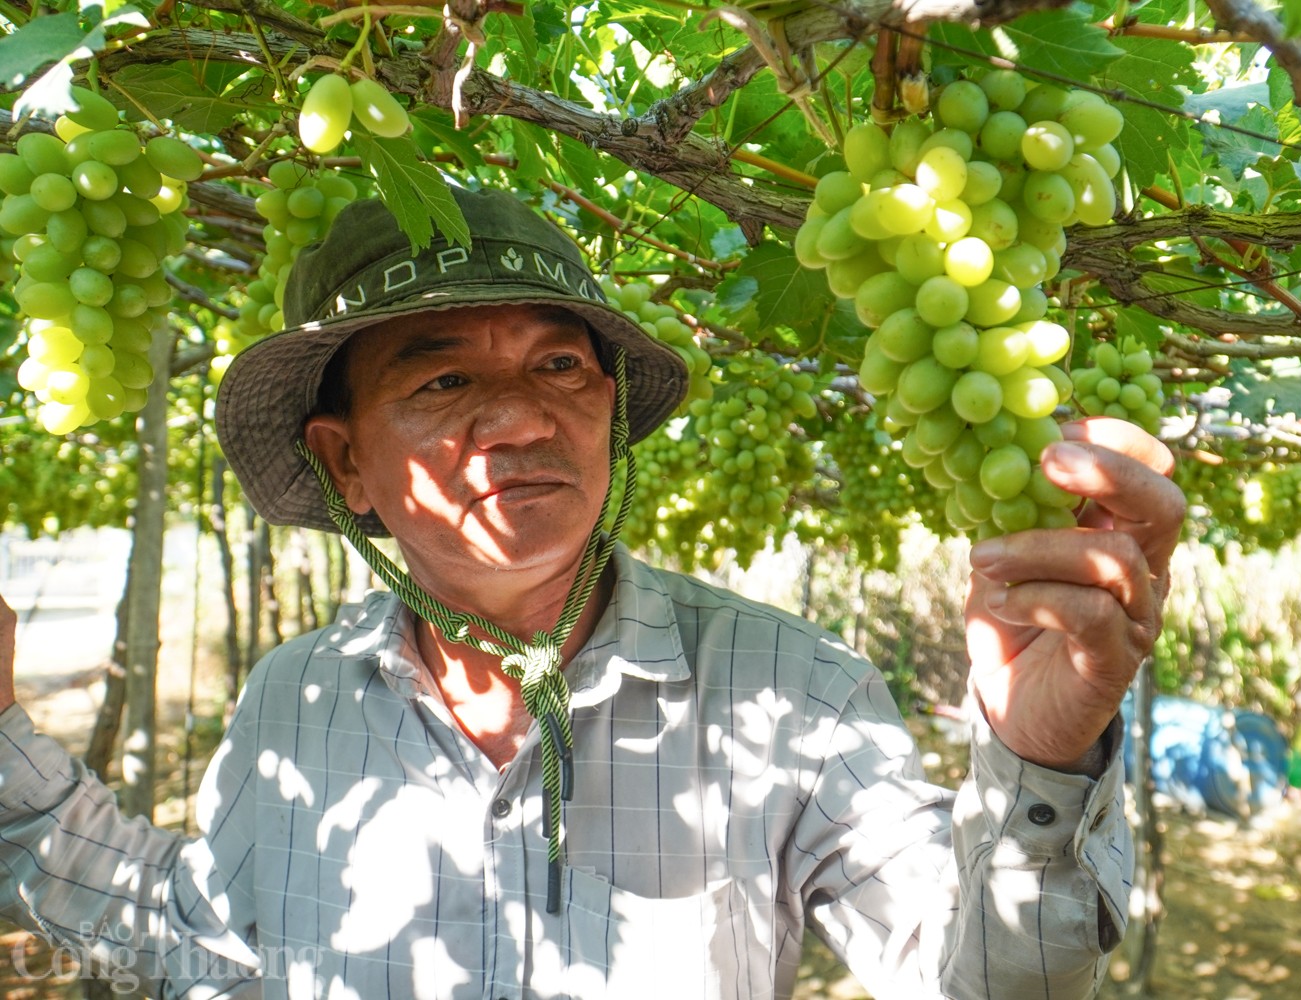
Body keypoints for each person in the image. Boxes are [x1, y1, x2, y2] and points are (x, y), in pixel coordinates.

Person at [0, 185, 1185, 999]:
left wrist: (1039, 761)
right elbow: (200, 937)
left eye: (560, 364)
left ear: (612, 411)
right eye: (444, 375)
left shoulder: (791, 692)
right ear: (344, 462)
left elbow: (984, 977)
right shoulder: (289, 702)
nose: (522, 415)